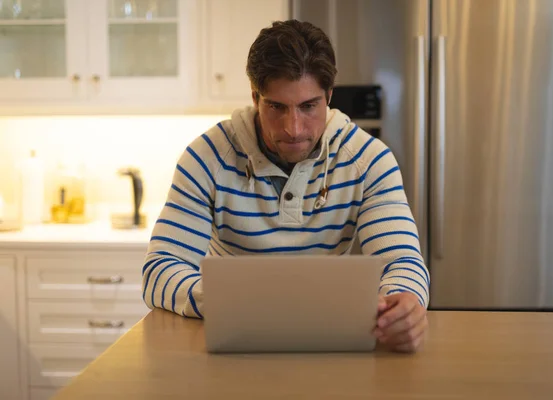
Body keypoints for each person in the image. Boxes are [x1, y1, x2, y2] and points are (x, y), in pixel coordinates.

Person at [141, 19, 430, 353]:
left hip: (328, 344)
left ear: (329, 97)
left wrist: (405, 302)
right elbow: (160, 270)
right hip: (232, 346)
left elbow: (402, 262)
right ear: (255, 97)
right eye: (276, 107)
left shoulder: (369, 161)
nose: (293, 128)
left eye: (308, 106)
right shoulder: (206, 158)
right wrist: (226, 302)